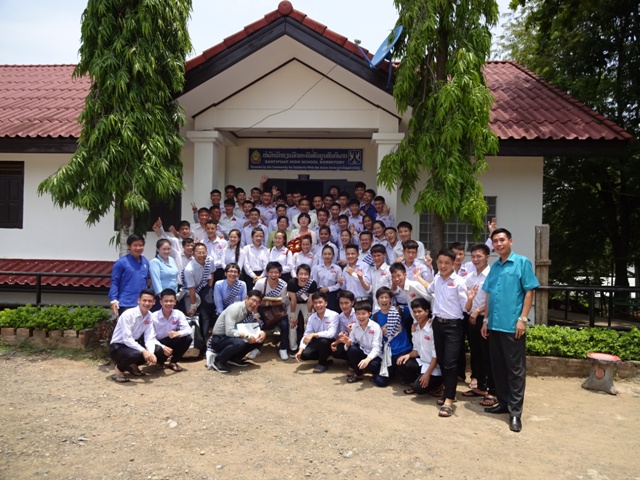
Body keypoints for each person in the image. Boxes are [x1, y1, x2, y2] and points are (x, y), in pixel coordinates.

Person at [481, 228, 539, 433]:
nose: (498, 244)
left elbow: (529, 291)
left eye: (502, 240)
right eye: (495, 241)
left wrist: (522, 319)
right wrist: (485, 320)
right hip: (494, 325)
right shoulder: (495, 267)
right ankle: (504, 403)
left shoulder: (521, 262)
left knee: (515, 370)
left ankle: (515, 412)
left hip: (512, 326)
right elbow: (489, 295)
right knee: (498, 368)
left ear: (510, 241)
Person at [426, 249, 468, 418]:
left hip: (453, 326)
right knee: (442, 360)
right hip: (438, 324)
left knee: (451, 363)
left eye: (447, 263)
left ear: (453, 263)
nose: (443, 266)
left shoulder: (459, 282)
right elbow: (429, 290)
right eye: (440, 262)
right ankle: (448, 391)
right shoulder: (437, 278)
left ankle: (449, 400)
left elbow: (466, 308)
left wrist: (471, 299)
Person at [461, 243, 497, 407]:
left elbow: (493, 298)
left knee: (487, 355)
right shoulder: (470, 276)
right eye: (473, 256)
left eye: (479, 256)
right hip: (471, 319)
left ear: (487, 257)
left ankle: (492, 390)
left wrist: (478, 311)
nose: (476, 259)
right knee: (475, 353)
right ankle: (480, 386)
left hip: (485, 319)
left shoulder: (492, 275)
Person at [109, 289, 164, 382]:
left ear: (154, 302)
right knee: (136, 354)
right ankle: (119, 370)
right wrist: (144, 351)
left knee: (157, 349)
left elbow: (149, 337)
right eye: (144, 300)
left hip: (132, 346)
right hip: (118, 347)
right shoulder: (128, 314)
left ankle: (132, 365)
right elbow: (127, 339)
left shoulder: (150, 316)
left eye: (150, 301)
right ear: (139, 300)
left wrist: (150, 353)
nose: (147, 303)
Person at [208, 290, 266, 373]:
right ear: (246, 298)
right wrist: (247, 336)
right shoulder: (235, 309)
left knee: (259, 339)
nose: (254, 304)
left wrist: (262, 333)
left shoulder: (250, 311)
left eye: (258, 302)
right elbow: (229, 331)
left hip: (232, 337)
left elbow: (254, 327)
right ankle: (218, 361)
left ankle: (234, 359)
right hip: (219, 339)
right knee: (239, 343)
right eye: (253, 300)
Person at [396, 297, 443, 396]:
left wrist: (427, 374)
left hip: (434, 367)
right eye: (414, 312)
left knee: (418, 389)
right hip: (422, 363)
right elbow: (416, 351)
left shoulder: (432, 329)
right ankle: (417, 381)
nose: (417, 314)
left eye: (419, 311)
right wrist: (408, 355)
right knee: (401, 362)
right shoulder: (415, 328)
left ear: (427, 312)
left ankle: (438, 384)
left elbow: (436, 356)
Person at [371, 287, 412, 387]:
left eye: (386, 297)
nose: (384, 300)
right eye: (381, 297)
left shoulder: (400, 311)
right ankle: (392, 373)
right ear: (377, 299)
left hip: (403, 350)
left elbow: (415, 310)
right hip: (388, 354)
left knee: (405, 365)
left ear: (391, 299)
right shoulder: (375, 317)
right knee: (380, 381)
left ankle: (407, 376)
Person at [336, 300, 383, 384]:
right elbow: (351, 343)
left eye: (363, 313)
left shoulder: (375, 327)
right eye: (358, 314)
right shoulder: (355, 326)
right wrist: (348, 343)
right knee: (351, 349)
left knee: (374, 367)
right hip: (363, 351)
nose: (361, 317)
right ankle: (358, 374)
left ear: (369, 314)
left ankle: (372, 371)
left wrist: (367, 359)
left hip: (374, 355)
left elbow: (377, 348)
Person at [182, 243, 214, 357]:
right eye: (199, 253)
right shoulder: (189, 269)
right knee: (192, 316)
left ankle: (204, 345)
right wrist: (193, 306)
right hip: (190, 292)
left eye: (204, 252)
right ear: (193, 254)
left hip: (203, 288)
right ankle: (192, 346)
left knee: (206, 317)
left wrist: (208, 290)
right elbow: (191, 290)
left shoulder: (209, 261)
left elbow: (211, 275)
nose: (202, 255)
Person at [294, 292, 340, 373]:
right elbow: (306, 335)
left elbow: (331, 333)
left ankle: (322, 364)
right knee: (304, 355)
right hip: (318, 342)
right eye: (315, 303)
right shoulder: (312, 317)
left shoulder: (334, 315)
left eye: (320, 302)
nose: (318, 305)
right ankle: (324, 358)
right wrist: (300, 350)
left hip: (332, 343)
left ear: (326, 303)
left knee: (323, 341)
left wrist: (313, 334)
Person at [255, 261, 290, 360]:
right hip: (261, 309)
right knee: (257, 324)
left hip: (277, 309)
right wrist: (256, 315)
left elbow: (283, 301)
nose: (273, 275)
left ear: (280, 274)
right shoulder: (261, 283)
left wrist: (268, 303)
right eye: (271, 272)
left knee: (284, 324)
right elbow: (254, 298)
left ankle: (283, 348)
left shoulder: (283, 285)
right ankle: (256, 348)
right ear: (267, 273)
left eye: (276, 272)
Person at [109, 234, 150, 316]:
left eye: (141, 245)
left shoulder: (145, 261)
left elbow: (148, 280)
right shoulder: (121, 262)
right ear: (129, 246)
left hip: (143, 303)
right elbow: (114, 282)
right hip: (126, 303)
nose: (138, 248)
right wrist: (113, 300)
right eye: (135, 245)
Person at [152, 289, 193, 372]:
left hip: (171, 340)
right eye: (166, 301)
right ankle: (160, 361)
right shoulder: (153, 316)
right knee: (157, 349)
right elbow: (149, 337)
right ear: (161, 302)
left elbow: (188, 329)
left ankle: (173, 362)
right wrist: (163, 347)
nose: (168, 303)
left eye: (171, 301)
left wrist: (178, 333)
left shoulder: (178, 314)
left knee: (188, 338)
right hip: (157, 343)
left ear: (175, 302)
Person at [287, 264, 318, 351]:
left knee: (308, 324)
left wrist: (309, 315)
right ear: (297, 275)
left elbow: (310, 300)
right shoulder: (292, 283)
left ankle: (305, 347)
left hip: (306, 304)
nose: (303, 276)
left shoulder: (312, 283)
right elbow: (293, 300)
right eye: (301, 274)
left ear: (309, 275)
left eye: (306, 274)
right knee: (292, 324)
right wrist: (293, 316)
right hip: (294, 304)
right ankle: (293, 348)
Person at [149, 239, 179, 311]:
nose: (166, 251)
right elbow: (156, 280)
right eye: (164, 249)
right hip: (160, 297)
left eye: (168, 249)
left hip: (172, 296)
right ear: (157, 249)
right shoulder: (155, 262)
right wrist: (162, 297)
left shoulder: (171, 259)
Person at [313, 245, 341, 312]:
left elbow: (339, 284)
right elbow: (315, 282)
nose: (327, 256)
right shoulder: (317, 268)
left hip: (332, 295)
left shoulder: (337, 268)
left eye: (329, 254)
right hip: (319, 293)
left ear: (333, 255)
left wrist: (328, 289)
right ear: (322, 255)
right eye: (325, 254)